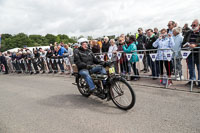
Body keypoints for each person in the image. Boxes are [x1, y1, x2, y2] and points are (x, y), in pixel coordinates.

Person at [182, 19, 200, 88]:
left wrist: (196, 45)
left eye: (194, 25)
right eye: (191, 25)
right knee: (191, 68)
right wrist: (185, 45)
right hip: (189, 53)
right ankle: (192, 81)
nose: (192, 26)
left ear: (198, 25)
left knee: (199, 68)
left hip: (198, 53)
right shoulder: (188, 32)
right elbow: (183, 42)